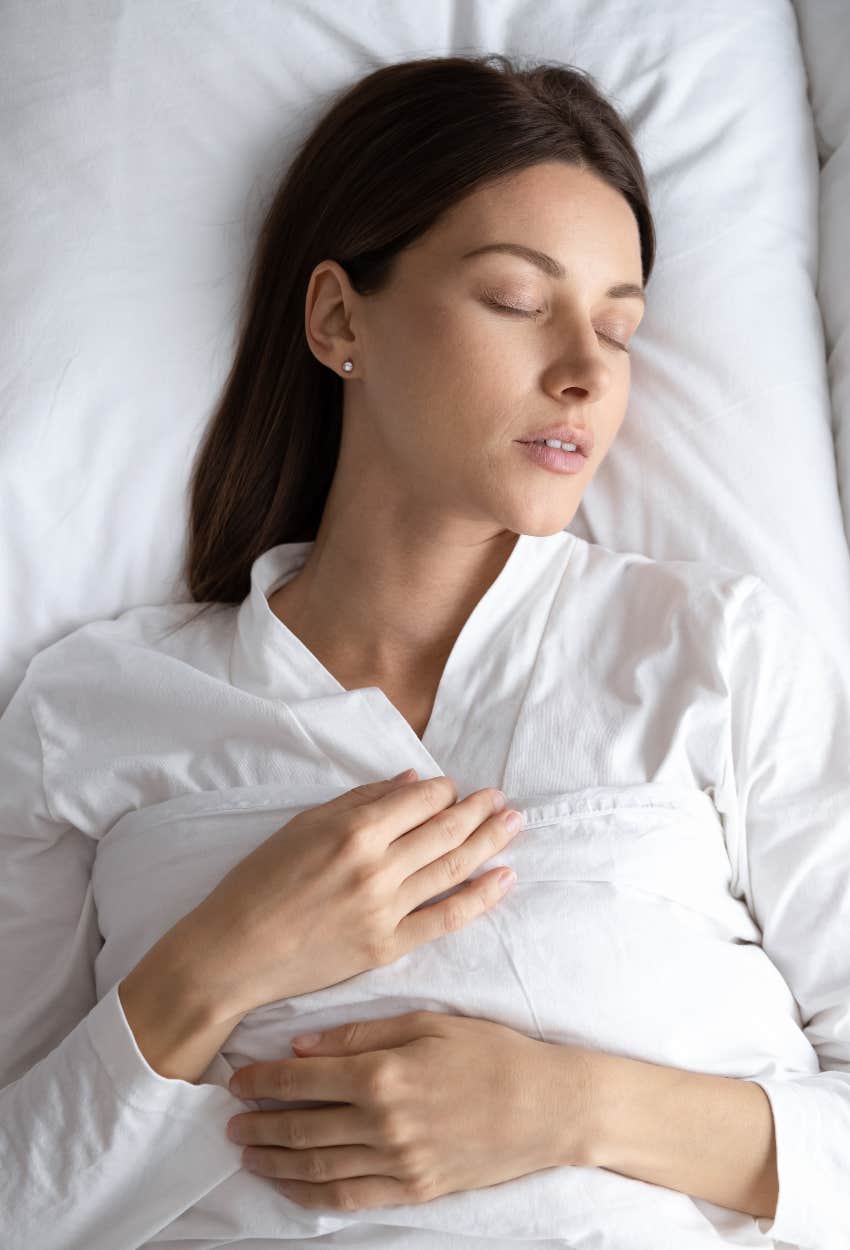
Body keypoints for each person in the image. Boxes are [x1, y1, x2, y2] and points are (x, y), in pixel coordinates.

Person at [2, 51, 849, 1250]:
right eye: (516, 300)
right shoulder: (97, 705)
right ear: (342, 316)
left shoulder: (714, 653)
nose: (584, 372)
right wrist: (217, 960)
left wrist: (569, 1103)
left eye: (619, 327)